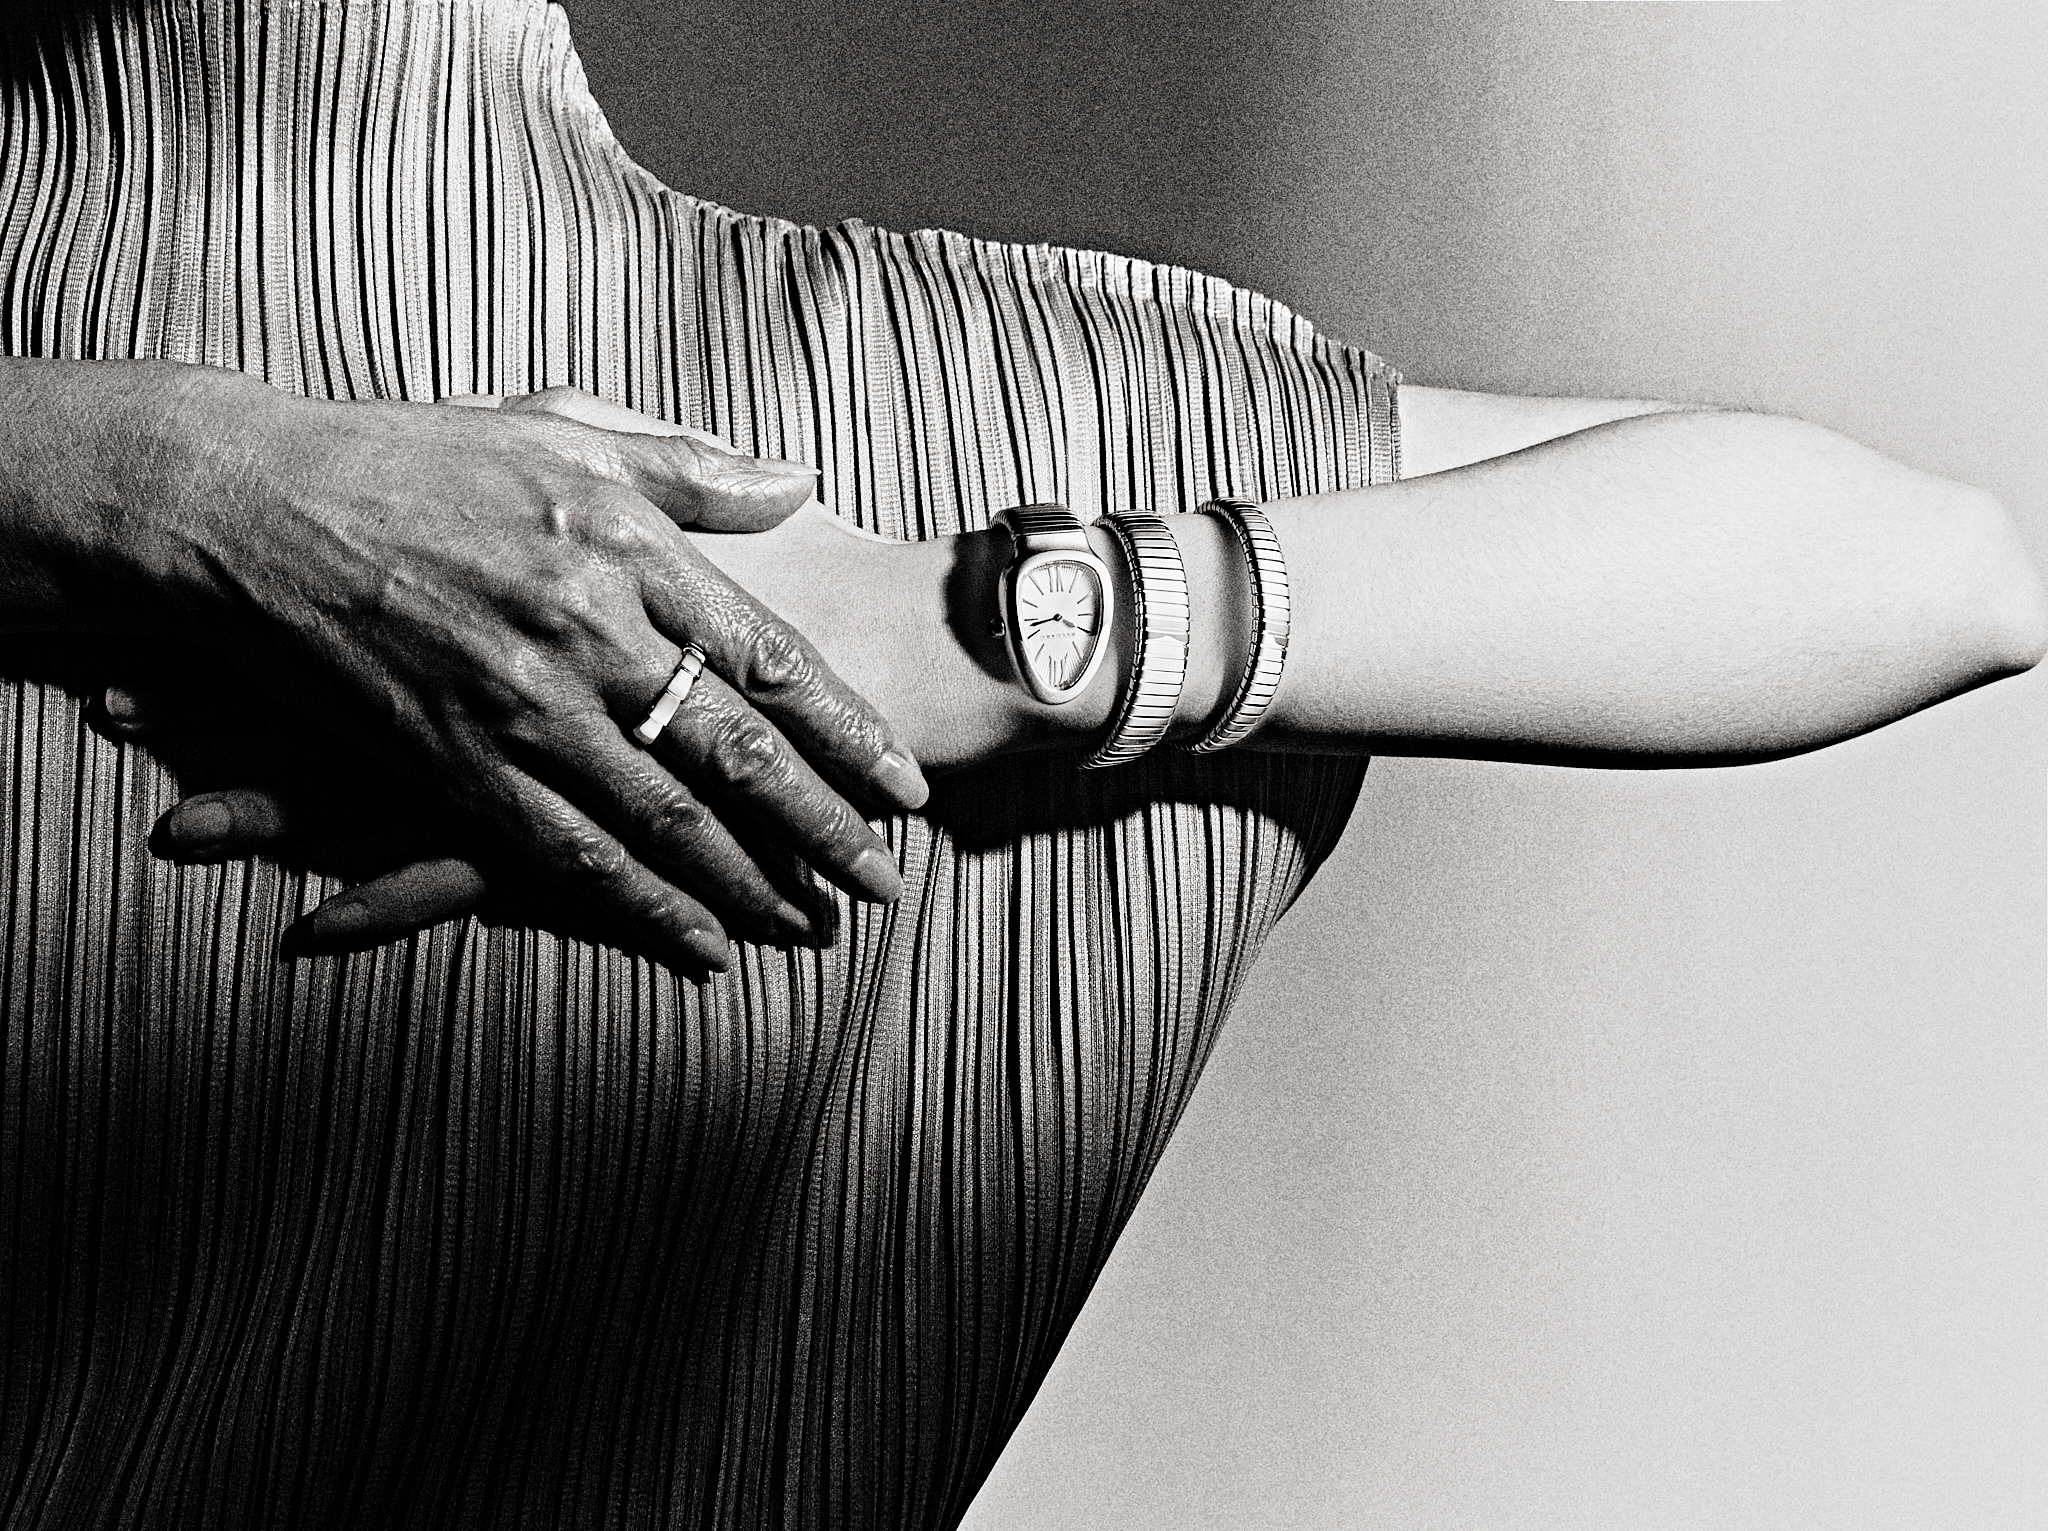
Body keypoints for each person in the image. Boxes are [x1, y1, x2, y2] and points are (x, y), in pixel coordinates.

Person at [0, 2, 2039, 1530]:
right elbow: (1924, 562)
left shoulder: (876, 428)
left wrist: (963, 634)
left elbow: (1929, 574)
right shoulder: (906, 408)